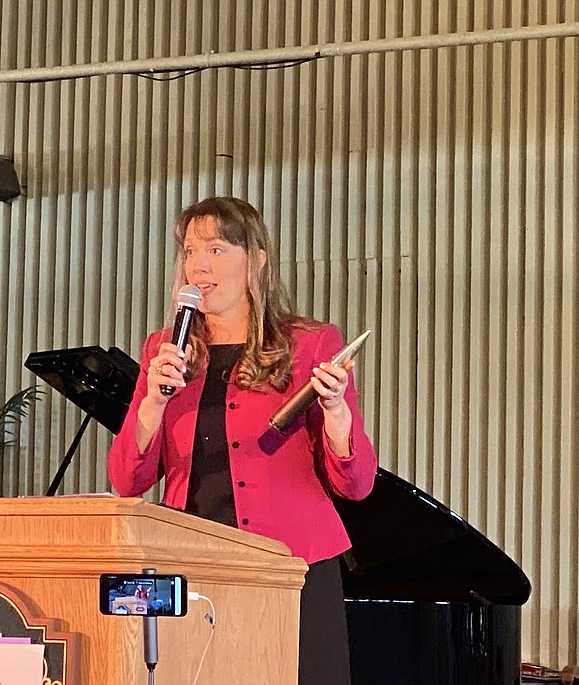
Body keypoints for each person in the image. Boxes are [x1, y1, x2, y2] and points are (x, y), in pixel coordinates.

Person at [106, 196, 377, 685]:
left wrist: (336, 410)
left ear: (255, 258)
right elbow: (127, 480)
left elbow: (355, 486)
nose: (199, 266)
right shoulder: (163, 350)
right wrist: (153, 402)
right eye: (189, 251)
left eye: (216, 249)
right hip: (194, 569)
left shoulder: (308, 344)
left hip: (291, 567)